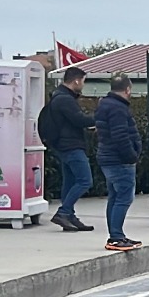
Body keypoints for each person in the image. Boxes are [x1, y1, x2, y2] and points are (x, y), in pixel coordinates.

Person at [39, 66, 98, 232]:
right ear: (76, 81)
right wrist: (98, 117)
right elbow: (79, 119)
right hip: (70, 146)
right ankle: (63, 212)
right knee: (85, 180)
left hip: (64, 144)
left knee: (70, 181)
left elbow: (71, 122)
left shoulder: (61, 97)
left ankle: (69, 215)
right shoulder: (64, 99)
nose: (83, 85)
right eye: (83, 82)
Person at [94, 74, 144, 252]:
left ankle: (117, 234)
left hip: (107, 157)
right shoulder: (118, 108)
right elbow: (120, 136)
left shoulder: (105, 105)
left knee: (115, 197)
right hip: (118, 160)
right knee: (124, 197)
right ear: (128, 89)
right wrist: (131, 155)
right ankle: (115, 237)